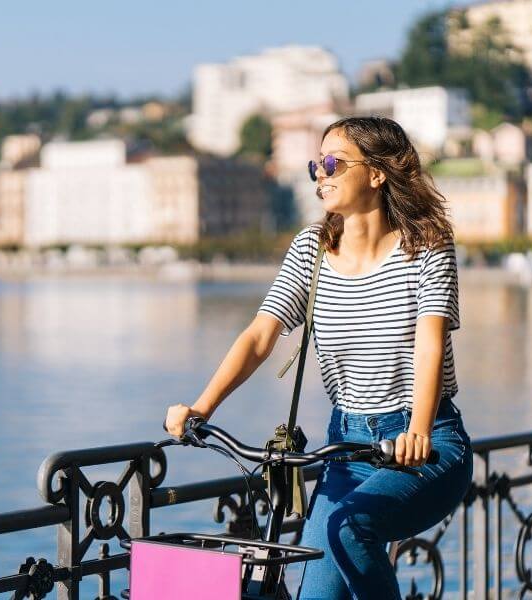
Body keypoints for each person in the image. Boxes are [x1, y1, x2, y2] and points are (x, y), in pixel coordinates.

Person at [164, 116, 474, 599]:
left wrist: (417, 428)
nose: (320, 175)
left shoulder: (427, 245)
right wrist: (202, 408)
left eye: (333, 163)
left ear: (377, 173)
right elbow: (260, 336)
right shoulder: (311, 248)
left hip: (425, 444)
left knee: (349, 530)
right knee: (315, 591)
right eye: (316, 165)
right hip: (345, 446)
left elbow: (429, 342)